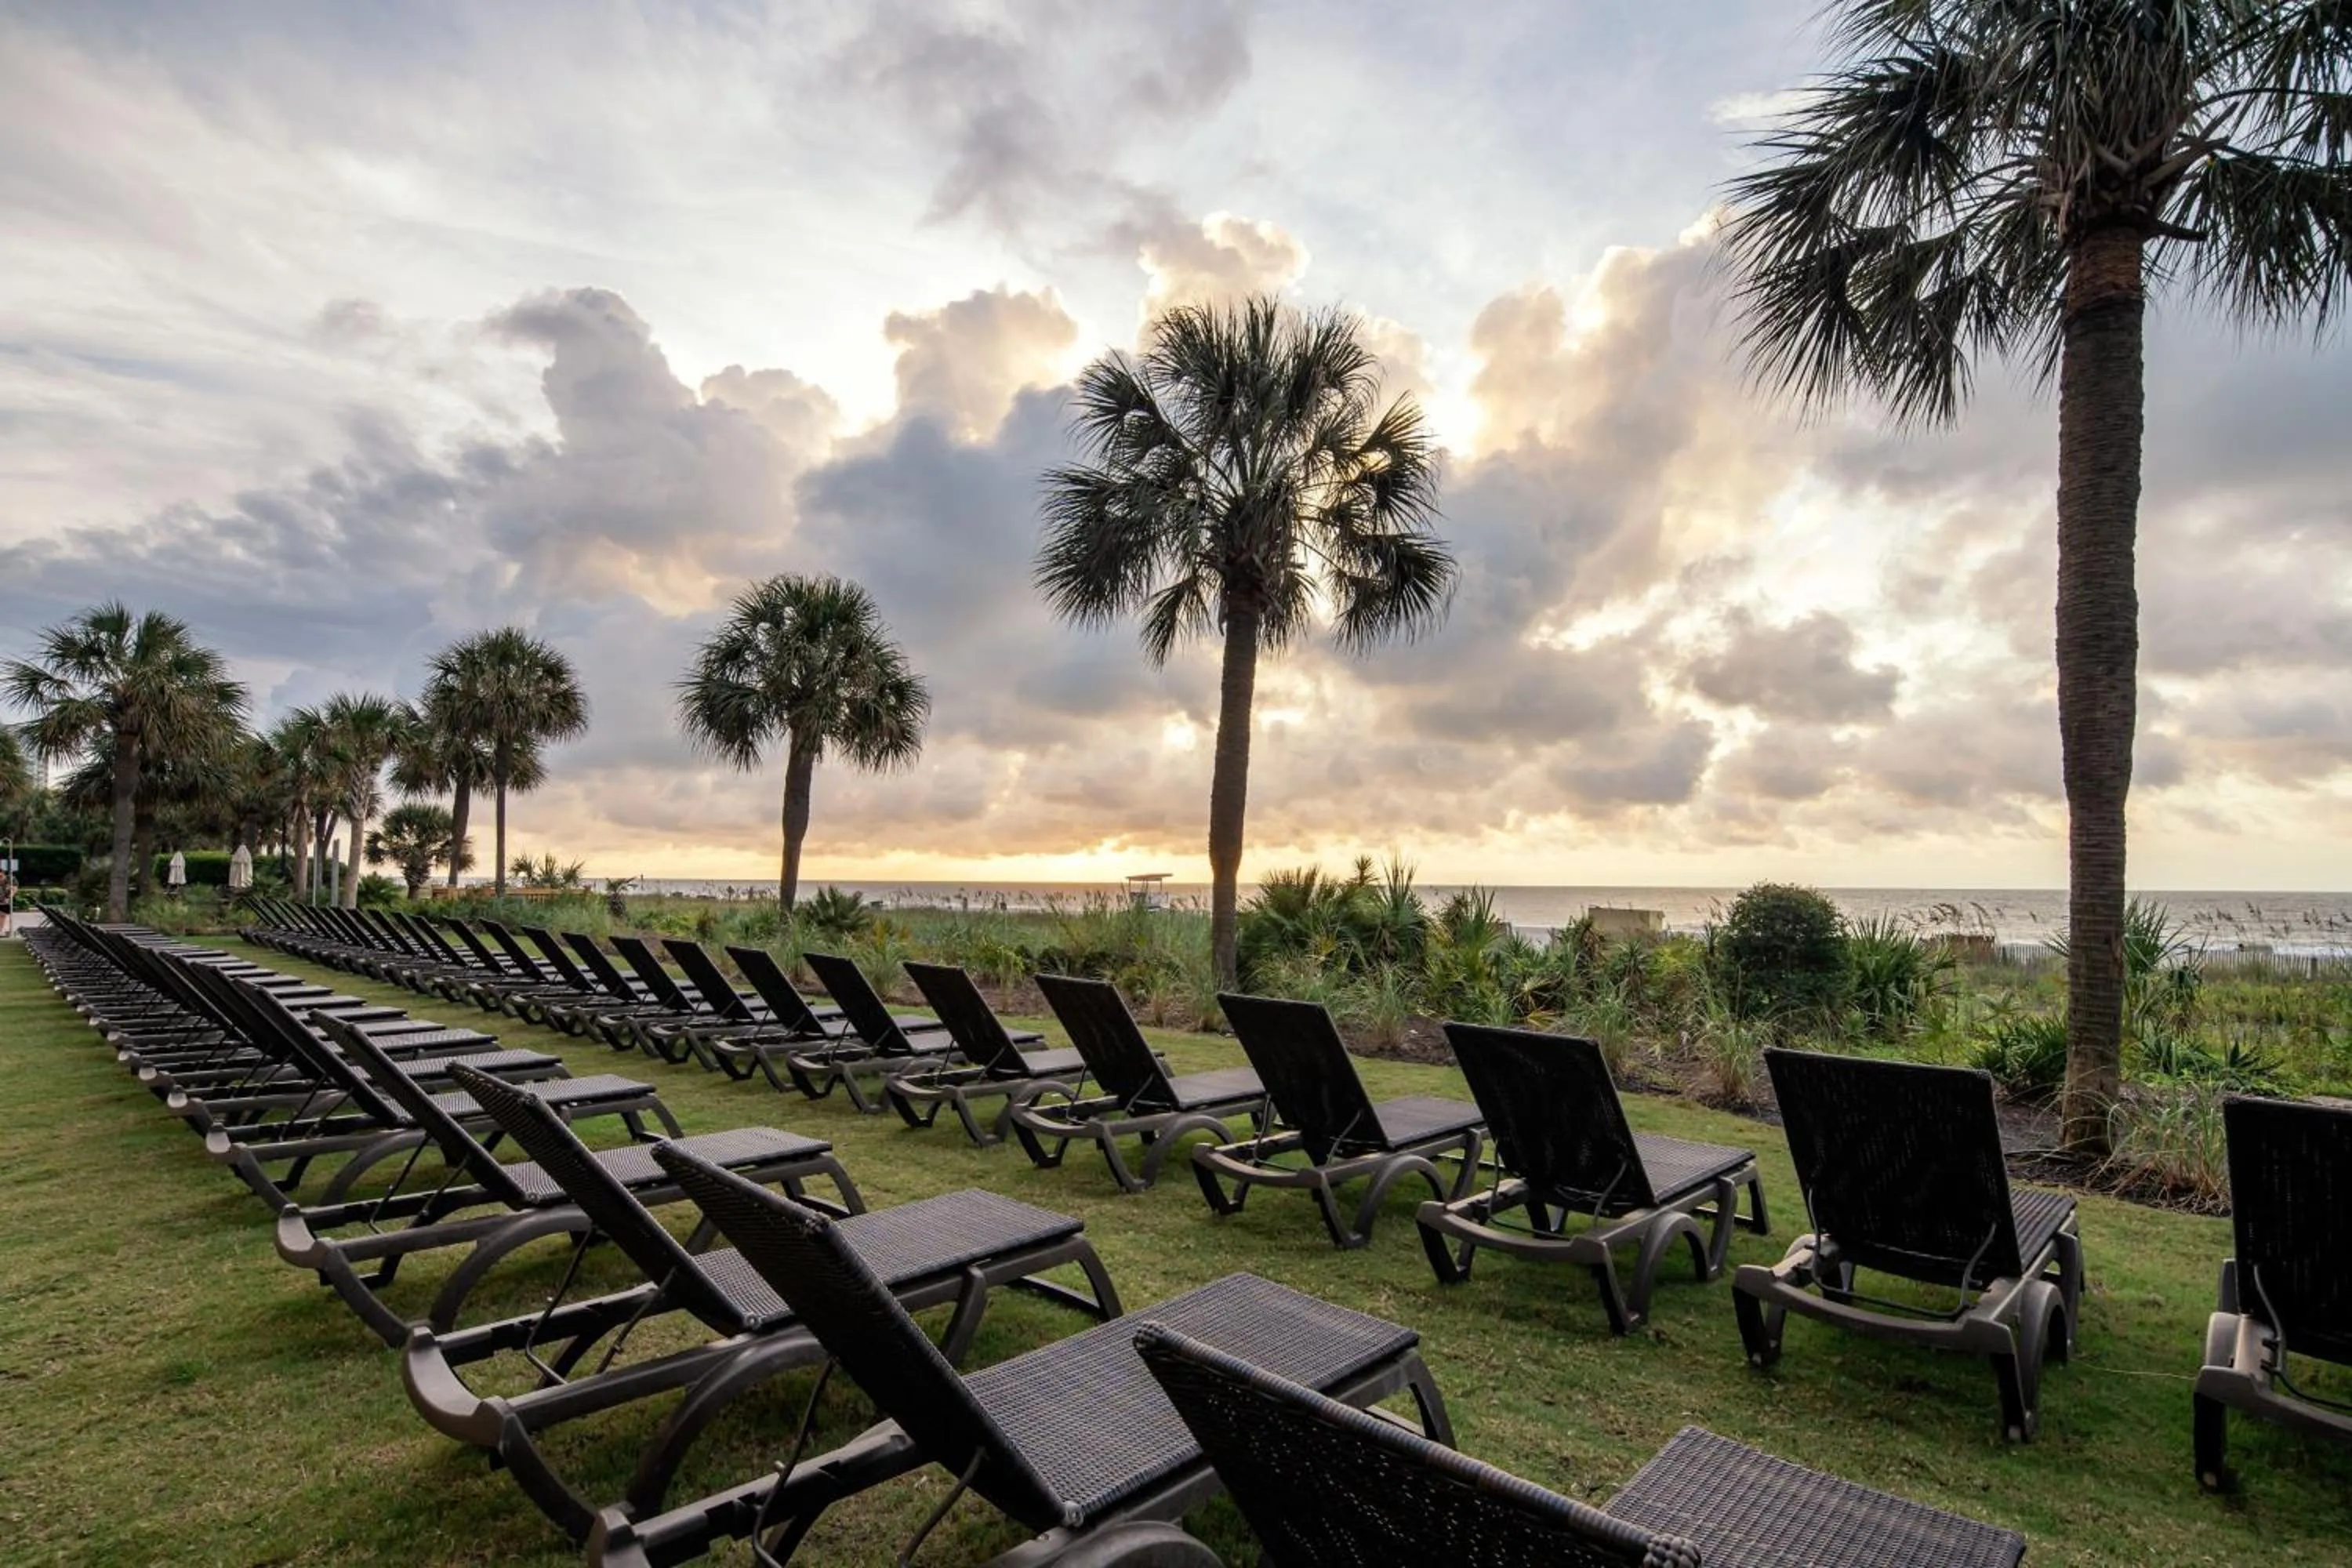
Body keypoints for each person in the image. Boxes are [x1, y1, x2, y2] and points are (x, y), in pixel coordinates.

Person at [0, 866, 15, 938]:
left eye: (1, 876)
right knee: (2, 916)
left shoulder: (9, 880)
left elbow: (13, 890)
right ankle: (1, 930)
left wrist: (9, 895)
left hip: (5, 901)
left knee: (3, 916)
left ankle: (2, 930)